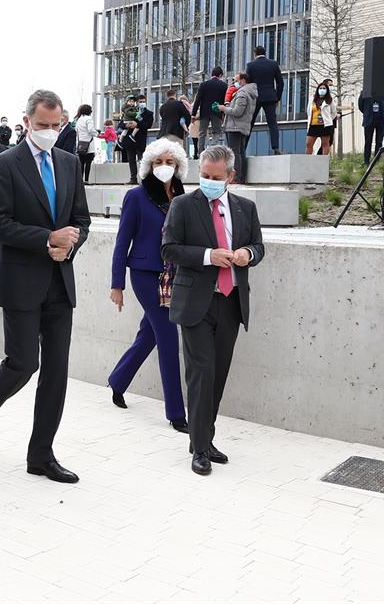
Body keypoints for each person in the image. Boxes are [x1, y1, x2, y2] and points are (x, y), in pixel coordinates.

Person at [0, 89, 91, 484]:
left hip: (59, 279)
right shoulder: (5, 164)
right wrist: (46, 239)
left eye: (56, 126)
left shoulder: (69, 163)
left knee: (56, 371)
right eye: (42, 126)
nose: (50, 132)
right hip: (22, 278)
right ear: (27, 122)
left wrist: (69, 244)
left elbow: (81, 221)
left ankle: (41, 454)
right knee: (23, 363)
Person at [161, 145, 264, 475]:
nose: (208, 181)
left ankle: (202, 437)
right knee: (201, 373)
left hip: (231, 302)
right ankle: (200, 448)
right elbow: (169, 248)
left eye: (215, 177)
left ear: (230, 176)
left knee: (217, 375)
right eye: (204, 175)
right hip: (196, 303)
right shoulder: (183, 205)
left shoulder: (245, 208)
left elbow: (259, 246)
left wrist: (247, 253)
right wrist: (208, 256)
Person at [107, 138, 188, 432]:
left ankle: (118, 380)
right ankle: (176, 413)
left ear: (178, 165)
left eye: (169, 162)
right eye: (158, 162)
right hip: (143, 273)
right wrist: (117, 284)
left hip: (173, 275)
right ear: (148, 165)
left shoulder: (182, 196)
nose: (163, 167)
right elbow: (121, 243)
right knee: (168, 335)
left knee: (149, 335)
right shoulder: (136, 196)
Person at [247, 46, 284, 155]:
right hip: (270, 97)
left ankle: (242, 147)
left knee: (249, 123)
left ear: (255, 54)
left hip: (256, 97)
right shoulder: (273, 64)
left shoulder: (251, 65)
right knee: (272, 123)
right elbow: (280, 83)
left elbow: (248, 83)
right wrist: (277, 97)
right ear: (265, 53)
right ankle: (276, 148)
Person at [222, 73, 258, 184]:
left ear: (243, 80)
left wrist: (224, 108)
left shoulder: (242, 93)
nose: (234, 83)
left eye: (236, 80)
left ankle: (236, 177)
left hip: (235, 126)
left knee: (234, 153)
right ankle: (241, 177)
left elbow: (237, 111)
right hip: (241, 126)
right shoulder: (250, 93)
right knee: (241, 152)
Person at [192, 68, 229, 153]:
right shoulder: (223, 85)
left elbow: (197, 100)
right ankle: (212, 150)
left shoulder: (203, 85)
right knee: (216, 132)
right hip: (217, 112)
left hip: (204, 112)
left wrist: (193, 114)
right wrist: (223, 114)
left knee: (202, 133)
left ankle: (201, 152)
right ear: (220, 75)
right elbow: (224, 101)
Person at [124, 95, 154, 185]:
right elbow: (123, 122)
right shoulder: (131, 111)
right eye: (140, 101)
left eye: (143, 101)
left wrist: (136, 125)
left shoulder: (149, 113)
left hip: (140, 139)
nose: (142, 103)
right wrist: (126, 125)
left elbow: (148, 125)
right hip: (130, 140)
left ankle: (144, 179)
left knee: (142, 160)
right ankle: (133, 178)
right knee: (131, 159)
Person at [305, 79, 337, 156]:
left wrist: (328, 119)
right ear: (317, 89)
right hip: (313, 125)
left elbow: (334, 113)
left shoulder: (329, 100)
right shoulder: (311, 99)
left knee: (325, 144)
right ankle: (307, 161)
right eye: (320, 88)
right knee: (309, 144)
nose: (322, 90)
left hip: (325, 125)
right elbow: (309, 111)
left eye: (324, 88)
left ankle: (324, 161)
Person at [358, 93, 384, 165]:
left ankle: (376, 160)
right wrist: (366, 112)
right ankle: (366, 161)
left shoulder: (383, 91)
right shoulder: (365, 91)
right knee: (368, 141)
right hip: (369, 120)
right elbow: (360, 105)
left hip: (381, 120)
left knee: (379, 141)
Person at [73, 104, 97, 183]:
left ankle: (80, 180)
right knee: (88, 163)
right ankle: (86, 180)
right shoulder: (89, 119)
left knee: (81, 163)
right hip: (88, 144)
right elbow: (90, 130)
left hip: (80, 144)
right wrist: (97, 133)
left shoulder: (79, 119)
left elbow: (77, 131)